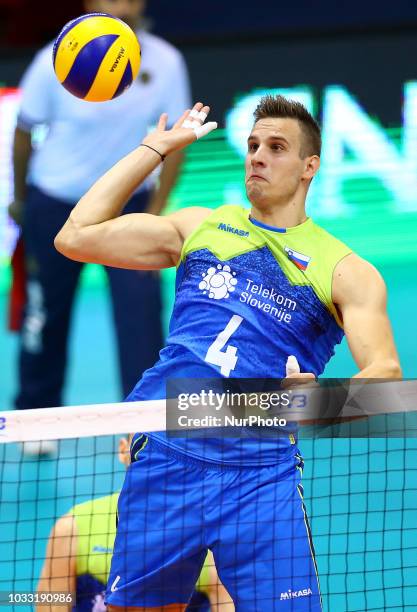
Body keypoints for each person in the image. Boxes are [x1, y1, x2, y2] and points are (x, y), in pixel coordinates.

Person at [55, 96, 402, 610]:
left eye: (276, 148)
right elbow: (75, 236)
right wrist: (155, 149)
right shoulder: (202, 225)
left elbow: (388, 378)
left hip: (260, 473)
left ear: (311, 167)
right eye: (253, 145)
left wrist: (322, 399)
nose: (257, 157)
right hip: (167, 453)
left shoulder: (345, 270)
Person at [9, 0, 191, 444]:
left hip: (130, 206)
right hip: (56, 204)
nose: (119, 5)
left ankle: (143, 421)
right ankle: (36, 418)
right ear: (91, 4)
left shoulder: (165, 61)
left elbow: (178, 141)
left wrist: (154, 212)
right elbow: (23, 128)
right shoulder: (57, 58)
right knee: (45, 313)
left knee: (141, 316)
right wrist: (20, 202)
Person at [37, 435, 232, 612]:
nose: (158, 458)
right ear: (123, 450)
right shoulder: (72, 528)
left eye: (170, 447)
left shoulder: (211, 534)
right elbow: (51, 604)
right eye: (146, 444)